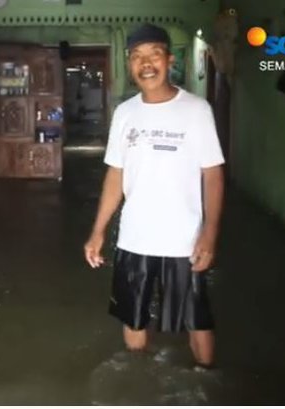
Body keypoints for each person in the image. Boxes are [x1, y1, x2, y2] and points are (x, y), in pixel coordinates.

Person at [84, 23, 225, 369]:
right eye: (137, 57)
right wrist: (98, 230)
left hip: (185, 241)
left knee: (197, 320)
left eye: (154, 54)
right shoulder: (125, 113)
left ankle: (207, 383)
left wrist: (209, 232)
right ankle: (139, 383)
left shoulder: (196, 110)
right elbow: (116, 173)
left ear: (169, 60)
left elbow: (213, 174)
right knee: (133, 319)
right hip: (134, 239)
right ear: (130, 64)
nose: (146, 63)